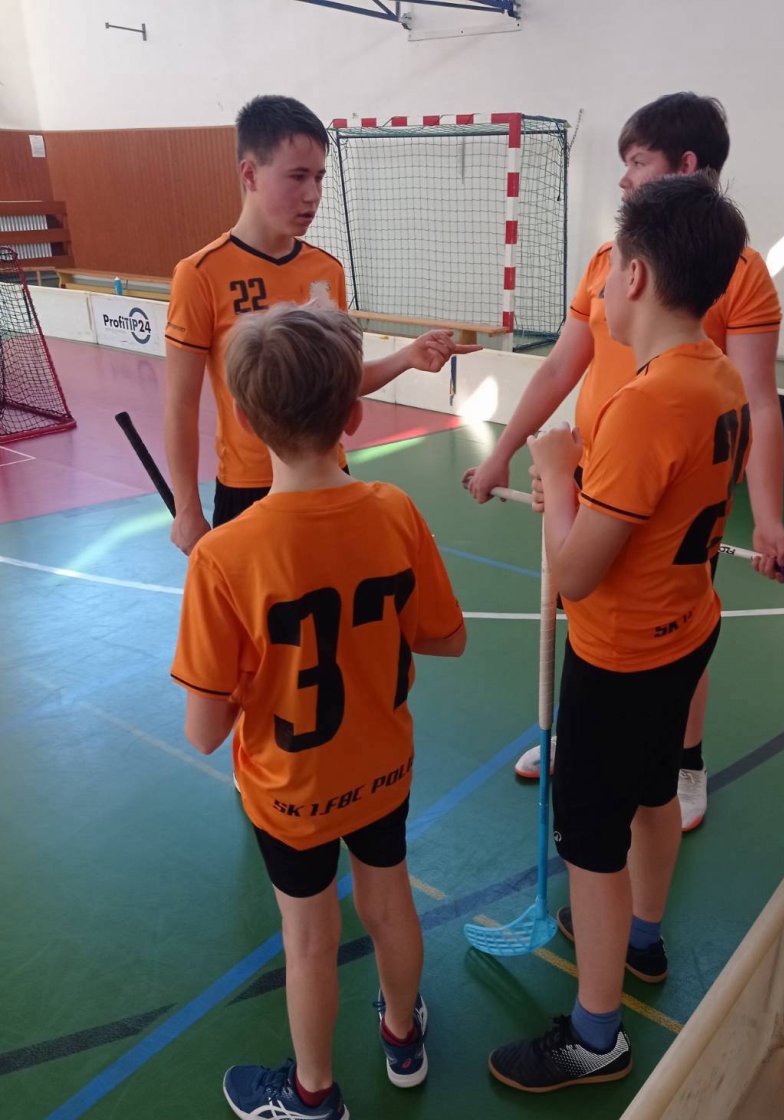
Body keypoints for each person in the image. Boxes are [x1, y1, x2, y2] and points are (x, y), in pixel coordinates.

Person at [487, 172, 751, 1092]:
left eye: (606, 269)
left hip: (621, 656)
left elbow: (574, 573)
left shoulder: (644, 403)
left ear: (633, 277)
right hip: (684, 632)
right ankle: (641, 939)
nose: (596, 286)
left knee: (591, 843)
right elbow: (650, 505)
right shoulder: (716, 377)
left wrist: (559, 475)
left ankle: (594, 1036)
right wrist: (584, 488)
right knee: (652, 794)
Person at [464, 92, 784, 830]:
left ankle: (681, 763)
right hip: (591, 475)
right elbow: (559, 368)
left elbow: (758, 401)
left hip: (671, 490)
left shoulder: (735, 271)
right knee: (584, 613)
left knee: (669, 626)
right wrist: (503, 453)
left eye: (636, 162)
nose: (623, 179)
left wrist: (767, 516)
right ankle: (578, 735)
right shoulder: (606, 262)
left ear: (685, 165)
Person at [171, 303, 466, 1119]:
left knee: (308, 939)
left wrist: (244, 666)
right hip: (381, 767)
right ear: (352, 415)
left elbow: (204, 732)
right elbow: (447, 638)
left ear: (243, 419)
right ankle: (402, 1036)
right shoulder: (394, 510)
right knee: (389, 902)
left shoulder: (224, 557)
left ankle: (312, 1095)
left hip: (289, 791)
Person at [165, 94, 477, 556]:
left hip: (329, 477)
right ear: (249, 174)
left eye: (319, 177)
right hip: (249, 490)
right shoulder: (200, 275)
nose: (312, 194)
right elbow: (180, 404)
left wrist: (406, 357)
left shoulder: (326, 271)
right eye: (297, 176)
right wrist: (187, 508)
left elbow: (336, 385)